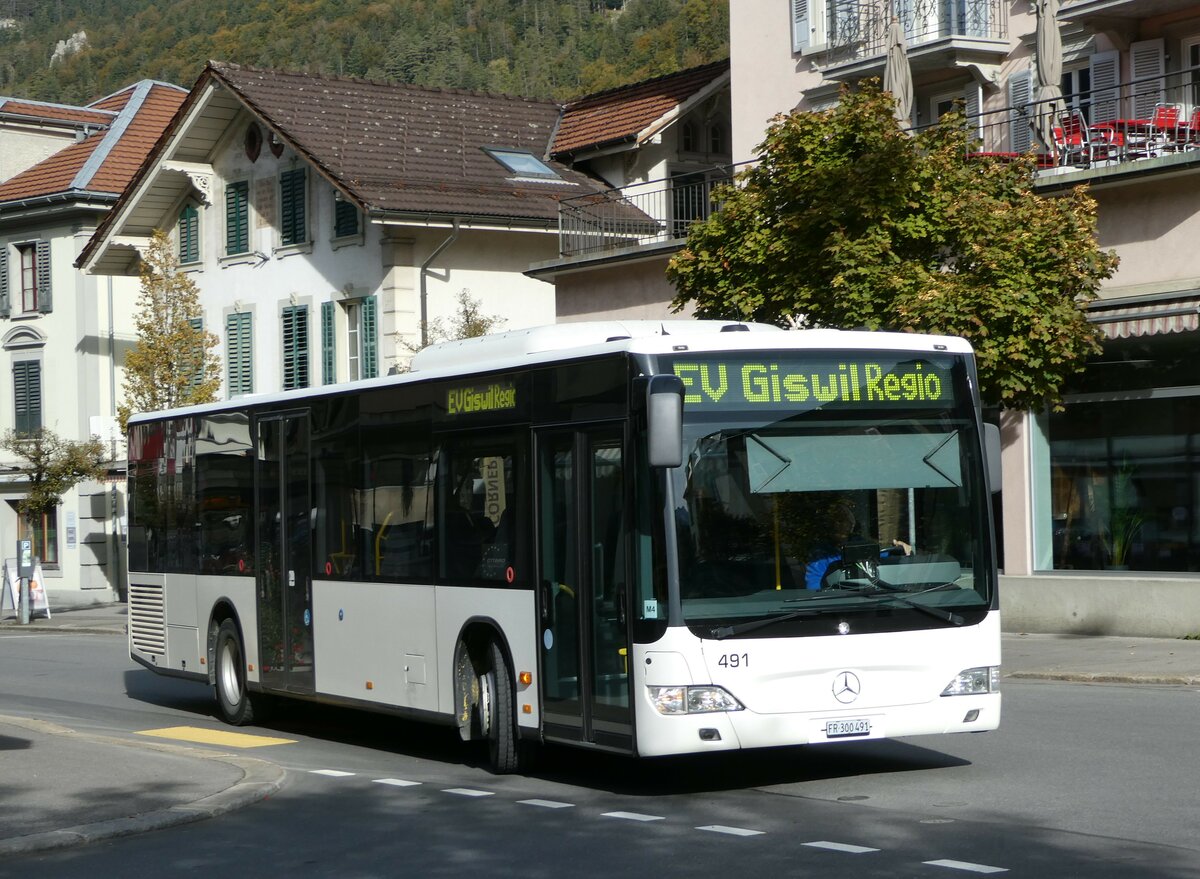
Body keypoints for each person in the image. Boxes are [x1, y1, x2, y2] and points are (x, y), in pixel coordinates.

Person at [804, 501, 911, 589]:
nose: (837, 524)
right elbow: (815, 590)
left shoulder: (862, 545)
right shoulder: (820, 556)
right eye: (833, 521)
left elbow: (887, 558)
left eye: (842, 520)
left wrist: (899, 549)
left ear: (851, 524)